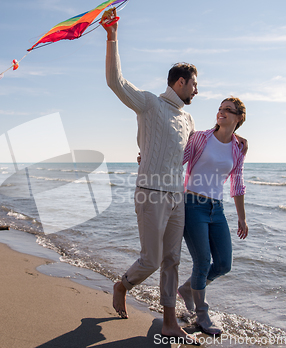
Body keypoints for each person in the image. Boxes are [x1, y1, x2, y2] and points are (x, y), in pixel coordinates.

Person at [101, 8, 198, 340]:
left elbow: (184, 156)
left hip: (176, 197)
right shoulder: (150, 104)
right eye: (194, 85)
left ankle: (170, 323)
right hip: (150, 193)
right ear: (180, 82)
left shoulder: (188, 120)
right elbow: (116, 82)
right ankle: (122, 284)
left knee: (173, 261)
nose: (196, 92)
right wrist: (113, 37)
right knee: (153, 259)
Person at [178, 97, 248, 336]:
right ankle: (202, 315)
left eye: (228, 110)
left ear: (239, 118)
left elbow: (237, 184)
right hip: (193, 204)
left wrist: (242, 218)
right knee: (201, 262)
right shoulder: (200, 138)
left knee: (223, 264)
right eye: (220, 109)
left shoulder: (237, 148)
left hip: (216, 209)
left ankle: (187, 289)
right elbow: (177, 158)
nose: (222, 113)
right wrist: (148, 161)